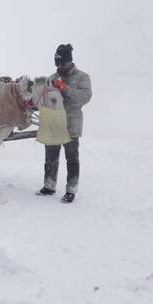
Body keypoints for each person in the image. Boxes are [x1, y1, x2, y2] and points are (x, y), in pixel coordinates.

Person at [36, 44, 92, 203]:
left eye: (63, 64)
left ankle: (71, 190)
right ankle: (49, 186)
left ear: (70, 61)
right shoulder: (52, 78)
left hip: (70, 125)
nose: (60, 67)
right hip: (53, 125)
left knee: (72, 158)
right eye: (57, 64)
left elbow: (85, 97)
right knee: (50, 157)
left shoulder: (82, 77)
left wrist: (65, 88)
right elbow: (44, 99)